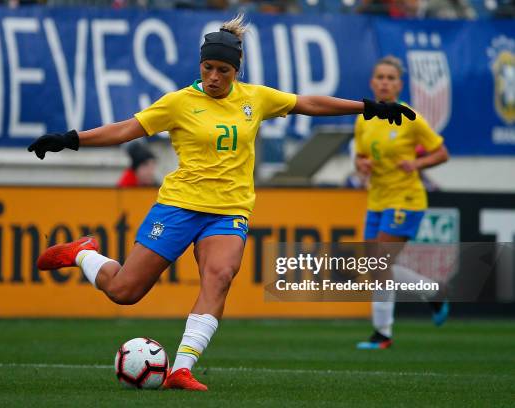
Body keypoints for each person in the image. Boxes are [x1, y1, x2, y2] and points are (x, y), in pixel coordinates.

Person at [27, 16, 415, 390]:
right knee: (125, 292)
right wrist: (70, 138)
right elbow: (125, 130)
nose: (214, 77)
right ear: (200, 65)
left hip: (229, 211)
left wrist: (368, 107)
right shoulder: (178, 103)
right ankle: (83, 253)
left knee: (220, 276)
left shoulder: (256, 98)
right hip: (178, 206)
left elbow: (308, 103)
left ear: (237, 70)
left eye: (223, 71)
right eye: (208, 68)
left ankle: (181, 368)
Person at [353, 56, 450, 350]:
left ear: (399, 85)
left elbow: (442, 153)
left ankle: (382, 334)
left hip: (406, 198)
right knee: (375, 264)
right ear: (372, 82)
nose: (384, 82)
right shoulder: (363, 118)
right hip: (377, 198)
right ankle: (432, 292)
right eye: (380, 77)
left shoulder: (410, 117)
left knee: (380, 261)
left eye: (390, 78)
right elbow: (360, 157)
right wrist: (363, 165)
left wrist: (417, 163)